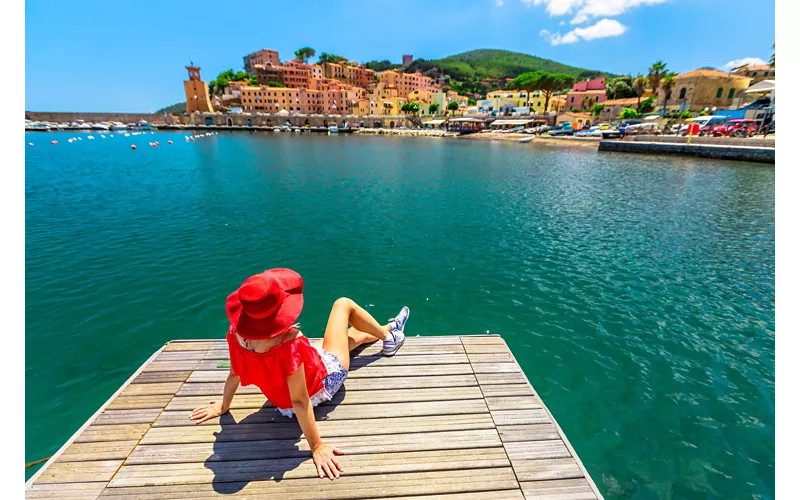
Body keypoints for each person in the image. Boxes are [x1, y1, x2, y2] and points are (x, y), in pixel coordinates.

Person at [188, 268, 409, 480]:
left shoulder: (236, 334)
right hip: (325, 382)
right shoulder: (290, 343)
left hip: (281, 401)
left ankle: (390, 328)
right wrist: (317, 446)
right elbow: (300, 400)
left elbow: (235, 373)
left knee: (348, 338)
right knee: (343, 305)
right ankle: (390, 337)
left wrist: (223, 406)